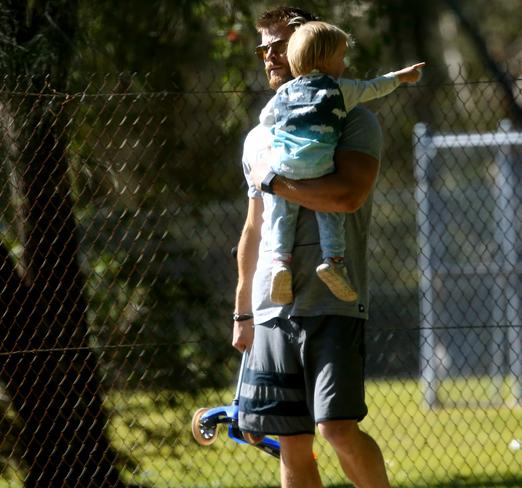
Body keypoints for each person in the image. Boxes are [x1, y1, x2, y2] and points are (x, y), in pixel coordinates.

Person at [232, 6, 409, 488]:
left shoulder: (354, 120)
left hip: (334, 300)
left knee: (336, 427)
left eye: (277, 42)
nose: (268, 54)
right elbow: (253, 229)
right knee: (291, 442)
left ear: (307, 45)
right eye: (262, 45)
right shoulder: (258, 136)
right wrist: (243, 314)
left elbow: (346, 196)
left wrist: (279, 186)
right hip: (271, 309)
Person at [262, 21, 424, 304]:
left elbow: (266, 120)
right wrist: (401, 76)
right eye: (340, 57)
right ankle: (333, 260)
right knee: (328, 210)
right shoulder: (339, 89)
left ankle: (279, 263)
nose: (344, 63)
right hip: (319, 166)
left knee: (280, 210)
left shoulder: (282, 94)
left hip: (284, 165)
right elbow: (374, 87)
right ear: (325, 60)